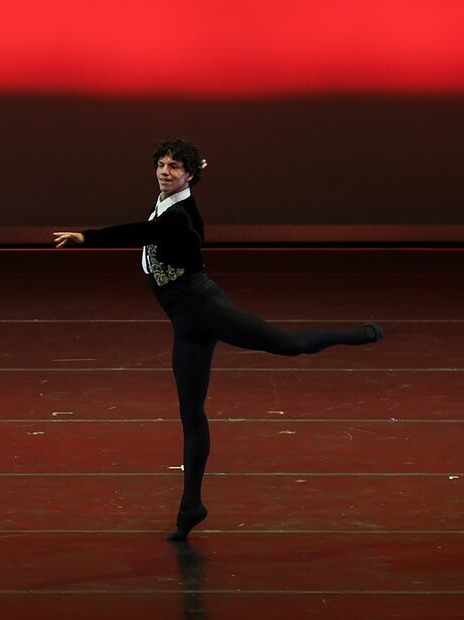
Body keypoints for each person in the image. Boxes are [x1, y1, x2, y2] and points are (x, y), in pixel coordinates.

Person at [54, 138, 383, 541]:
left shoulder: (180, 217)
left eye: (174, 167)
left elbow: (146, 231)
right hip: (184, 322)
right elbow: (173, 194)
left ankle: (358, 334)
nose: (164, 171)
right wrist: (193, 167)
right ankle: (191, 505)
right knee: (190, 414)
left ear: (188, 176)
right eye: (161, 164)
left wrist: (88, 237)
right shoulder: (170, 197)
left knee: (289, 344)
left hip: (206, 308)